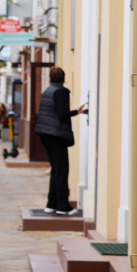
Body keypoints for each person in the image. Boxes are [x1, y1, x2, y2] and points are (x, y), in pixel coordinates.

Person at [34, 67, 88, 216]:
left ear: (50, 78)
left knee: (56, 170)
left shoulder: (48, 91)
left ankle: (51, 204)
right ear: (63, 79)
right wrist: (78, 111)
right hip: (56, 135)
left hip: (46, 134)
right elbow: (62, 114)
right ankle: (63, 206)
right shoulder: (61, 92)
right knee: (62, 171)